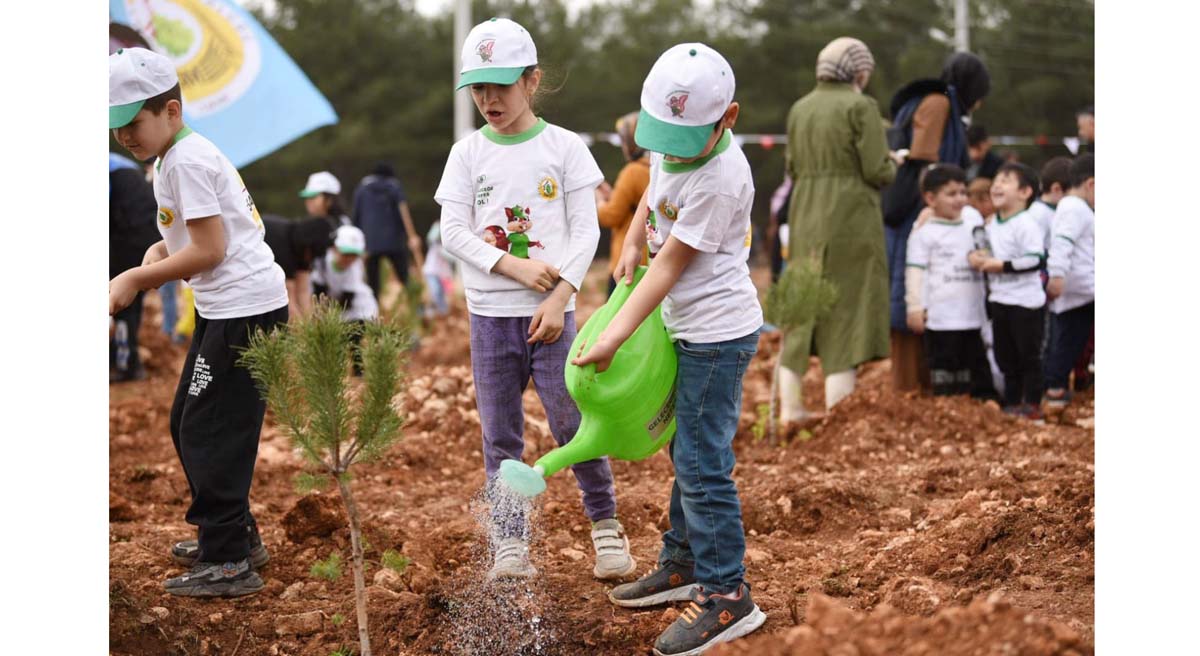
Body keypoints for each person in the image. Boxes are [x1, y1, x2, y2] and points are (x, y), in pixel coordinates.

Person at [573, 42, 766, 656]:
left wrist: (610, 336)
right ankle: (682, 561)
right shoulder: (670, 141)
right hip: (686, 329)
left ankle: (728, 595)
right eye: (661, 134)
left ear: (727, 118)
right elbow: (653, 202)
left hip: (717, 334)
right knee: (687, 451)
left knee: (704, 464)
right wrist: (630, 241)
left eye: (684, 138)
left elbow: (668, 270)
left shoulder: (723, 177)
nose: (670, 148)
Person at [433, 17, 634, 583]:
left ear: (532, 79)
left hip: (553, 318)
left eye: (501, 84)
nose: (489, 99)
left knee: (574, 425)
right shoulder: (467, 153)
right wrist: (512, 265)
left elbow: (585, 231)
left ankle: (606, 527)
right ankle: (510, 540)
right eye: (478, 87)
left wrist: (561, 294)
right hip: (491, 319)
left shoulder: (563, 147)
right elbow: (453, 231)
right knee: (501, 434)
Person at [108, 48, 289, 597]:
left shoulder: (185, 160)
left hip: (244, 310)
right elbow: (196, 235)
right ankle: (231, 533)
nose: (125, 137)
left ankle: (229, 560)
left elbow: (210, 250)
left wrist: (141, 279)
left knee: (210, 431)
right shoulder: (171, 158)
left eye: (133, 123)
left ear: (171, 110)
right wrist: (158, 249)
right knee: (188, 420)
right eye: (115, 128)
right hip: (225, 309)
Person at [778, 36, 895, 423]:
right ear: (860, 71)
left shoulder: (799, 108)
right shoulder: (861, 106)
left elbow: (792, 167)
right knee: (845, 309)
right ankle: (838, 417)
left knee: (804, 304)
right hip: (850, 216)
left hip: (805, 213)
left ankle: (790, 409)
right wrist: (896, 163)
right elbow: (876, 169)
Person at [884, 52, 991, 394]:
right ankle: (910, 387)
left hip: (926, 208)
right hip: (918, 213)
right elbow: (925, 158)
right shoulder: (938, 103)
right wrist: (929, 202)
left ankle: (926, 383)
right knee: (913, 292)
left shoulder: (940, 103)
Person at [904, 164, 996, 399]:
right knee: (945, 371)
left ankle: (983, 412)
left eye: (963, 193)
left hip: (973, 315)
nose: (960, 199)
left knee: (977, 371)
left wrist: (982, 257)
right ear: (930, 198)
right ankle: (948, 412)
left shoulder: (972, 218)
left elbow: (985, 246)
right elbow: (916, 271)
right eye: (951, 194)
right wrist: (915, 307)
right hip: (941, 318)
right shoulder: (924, 232)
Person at [967, 162, 1045, 417]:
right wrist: (976, 257)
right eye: (997, 179)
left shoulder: (1026, 223)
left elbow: (1035, 259)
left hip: (1025, 302)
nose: (997, 184)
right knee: (1005, 356)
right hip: (999, 300)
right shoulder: (991, 225)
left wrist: (1000, 266)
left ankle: (1032, 403)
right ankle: (1012, 402)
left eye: (1007, 180)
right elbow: (985, 251)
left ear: (1025, 192)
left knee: (1028, 355)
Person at [1042, 154, 1094, 421]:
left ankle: (1060, 388)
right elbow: (1062, 242)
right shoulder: (1074, 207)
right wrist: (1058, 275)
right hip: (1079, 290)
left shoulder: (1077, 207)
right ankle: (1054, 392)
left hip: (1084, 289)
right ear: (1092, 184)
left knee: (1071, 340)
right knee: (1066, 341)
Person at [109, 152, 161, 382]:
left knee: (119, 303)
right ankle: (122, 358)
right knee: (130, 302)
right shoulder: (121, 163)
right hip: (148, 236)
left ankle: (126, 365)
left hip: (128, 238)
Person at [596, 111, 651, 296]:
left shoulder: (632, 172)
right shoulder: (657, 169)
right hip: (650, 260)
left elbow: (611, 215)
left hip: (627, 260)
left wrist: (599, 201)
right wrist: (613, 195)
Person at [311, 225, 379, 376]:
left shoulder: (355, 268)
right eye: (346, 253)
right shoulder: (323, 262)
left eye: (354, 255)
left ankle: (358, 372)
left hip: (358, 306)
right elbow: (318, 290)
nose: (349, 259)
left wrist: (331, 317)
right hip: (333, 304)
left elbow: (347, 299)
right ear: (335, 248)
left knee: (354, 336)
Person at [352, 162, 423, 301]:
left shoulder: (361, 189)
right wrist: (410, 236)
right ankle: (417, 306)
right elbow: (403, 214)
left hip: (370, 243)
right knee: (404, 277)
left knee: (373, 283)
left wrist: (358, 240)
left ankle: (372, 312)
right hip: (394, 242)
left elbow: (356, 216)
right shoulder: (394, 187)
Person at [421, 221, 456, 319]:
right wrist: (439, 226)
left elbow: (451, 258)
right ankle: (432, 313)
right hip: (431, 272)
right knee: (435, 291)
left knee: (442, 293)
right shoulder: (435, 246)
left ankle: (442, 312)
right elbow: (431, 238)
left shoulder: (447, 249)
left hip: (442, 274)